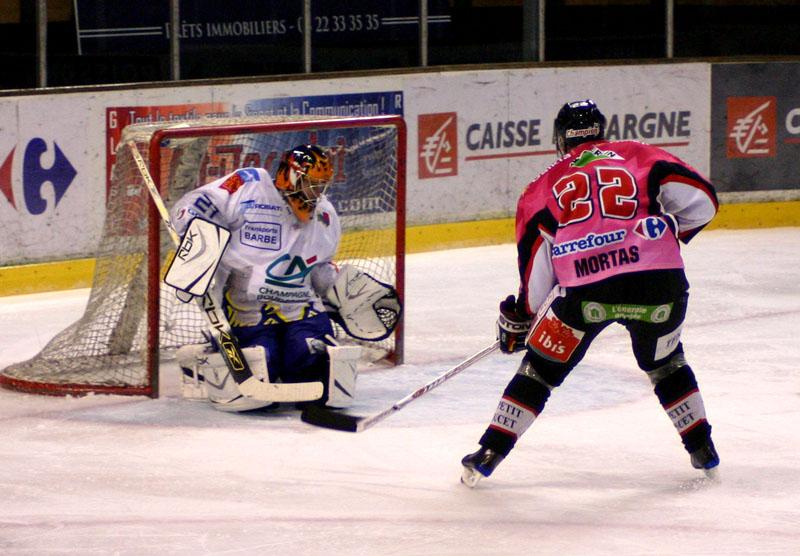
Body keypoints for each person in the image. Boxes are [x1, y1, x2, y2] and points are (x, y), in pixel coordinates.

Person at [461, 100, 720, 487]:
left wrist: (523, 316)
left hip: (586, 292)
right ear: (601, 130)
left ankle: (488, 453)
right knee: (666, 362)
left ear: (560, 139)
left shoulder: (541, 187)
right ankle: (703, 449)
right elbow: (704, 202)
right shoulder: (640, 154)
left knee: (541, 368)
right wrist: (667, 232)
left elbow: (537, 265)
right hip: (658, 284)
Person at [169, 144, 400, 412]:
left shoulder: (324, 216)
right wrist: (201, 248)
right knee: (259, 368)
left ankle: (291, 362)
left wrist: (343, 289)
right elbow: (191, 207)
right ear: (290, 176)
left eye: (320, 186)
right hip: (246, 312)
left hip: (302, 311)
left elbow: (318, 268)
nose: (315, 193)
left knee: (320, 376)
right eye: (310, 184)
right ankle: (209, 358)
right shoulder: (249, 184)